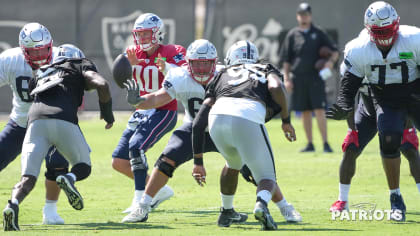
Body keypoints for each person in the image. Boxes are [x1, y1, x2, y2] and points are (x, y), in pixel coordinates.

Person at [121, 39, 301, 225]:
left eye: (205, 63)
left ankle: (284, 207)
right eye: (196, 63)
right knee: (166, 159)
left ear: (215, 62)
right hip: (195, 127)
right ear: (188, 62)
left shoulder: (224, 73)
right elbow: (158, 98)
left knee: (255, 170)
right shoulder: (180, 75)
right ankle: (142, 206)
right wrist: (138, 101)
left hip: (218, 126)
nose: (200, 68)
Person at [2, 44, 114, 231]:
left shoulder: (41, 71)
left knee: (28, 178)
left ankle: (12, 204)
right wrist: (107, 114)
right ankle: (70, 178)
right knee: (83, 166)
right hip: (63, 120)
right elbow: (101, 84)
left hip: (34, 122)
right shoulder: (79, 64)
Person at [327, 1, 420, 222]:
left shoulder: (414, 39)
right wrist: (344, 107)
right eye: (379, 32)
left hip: (415, 92)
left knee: (408, 147)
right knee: (388, 138)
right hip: (383, 99)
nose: (384, 36)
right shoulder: (358, 50)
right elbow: (348, 89)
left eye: (388, 31)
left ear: (397, 25)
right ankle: (395, 198)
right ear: (369, 31)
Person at [192, 40, 297, 230]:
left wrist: (197, 161)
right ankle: (261, 205)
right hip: (246, 116)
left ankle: (226, 211)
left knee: (233, 164)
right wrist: (286, 120)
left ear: (231, 58)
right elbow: (276, 88)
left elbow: (199, 122)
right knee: (267, 176)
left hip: (217, 118)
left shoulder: (222, 73)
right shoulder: (265, 68)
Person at [111, 13, 186, 214]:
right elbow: (123, 81)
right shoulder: (133, 54)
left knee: (136, 147)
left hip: (164, 110)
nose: (143, 39)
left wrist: (167, 67)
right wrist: (132, 66)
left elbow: (184, 76)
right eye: (140, 34)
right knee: (119, 161)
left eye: (147, 34)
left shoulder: (172, 51)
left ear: (159, 33)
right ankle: (159, 190)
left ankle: (140, 199)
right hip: (141, 111)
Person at [0, 22, 70, 225]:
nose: (39, 56)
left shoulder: (64, 56)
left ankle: (50, 210)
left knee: (57, 164)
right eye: (33, 51)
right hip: (21, 123)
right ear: (23, 50)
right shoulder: (10, 59)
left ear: (51, 46)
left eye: (43, 50)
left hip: (52, 123)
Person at [329, 79, 420, 221]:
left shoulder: (391, 59)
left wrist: (408, 126)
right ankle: (342, 200)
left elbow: (407, 94)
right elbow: (348, 97)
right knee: (350, 148)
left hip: (393, 111)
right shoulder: (353, 62)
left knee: (410, 149)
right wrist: (352, 129)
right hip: (367, 113)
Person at [280, 2, 339, 152]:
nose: (303, 17)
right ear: (297, 16)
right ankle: (310, 144)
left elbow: (334, 51)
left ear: (310, 15)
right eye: (301, 14)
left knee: (319, 109)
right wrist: (286, 79)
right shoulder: (293, 35)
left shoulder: (318, 33)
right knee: (304, 111)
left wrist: (329, 63)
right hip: (298, 78)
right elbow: (286, 59)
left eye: (305, 14)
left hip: (315, 78)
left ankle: (326, 143)